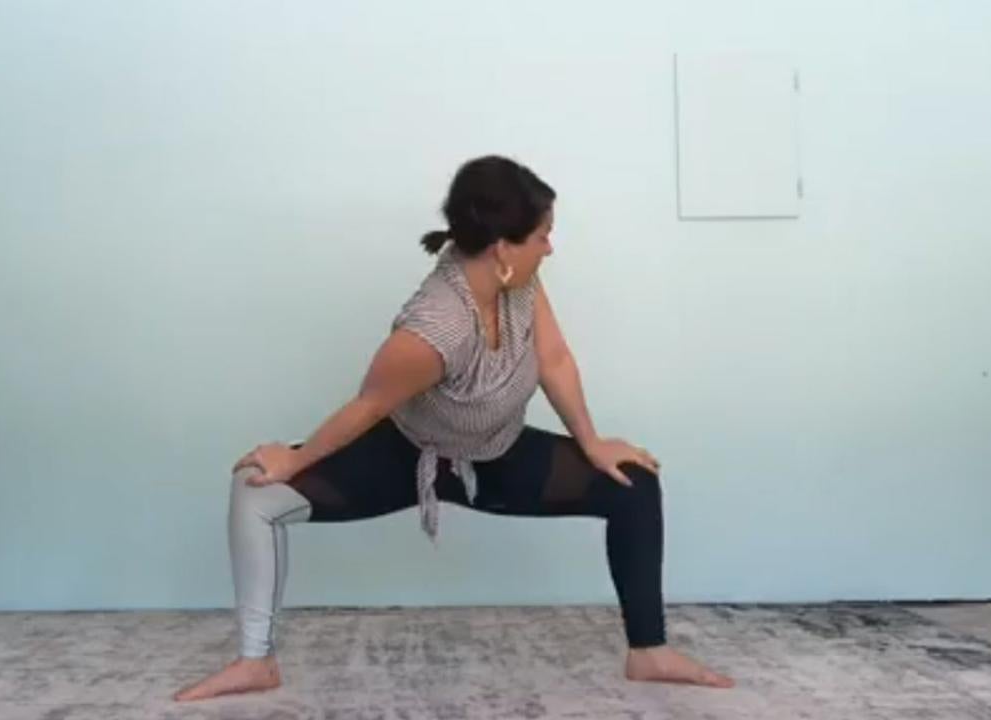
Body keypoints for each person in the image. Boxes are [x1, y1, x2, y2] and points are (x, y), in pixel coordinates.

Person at [174, 156, 734, 701]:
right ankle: (255, 661)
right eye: (543, 235)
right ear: (502, 248)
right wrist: (294, 462)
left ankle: (648, 651)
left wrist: (592, 442)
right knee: (255, 493)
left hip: (498, 457)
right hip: (408, 456)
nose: (550, 246)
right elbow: (369, 406)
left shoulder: (519, 282)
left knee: (632, 481)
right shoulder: (434, 329)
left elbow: (555, 359)